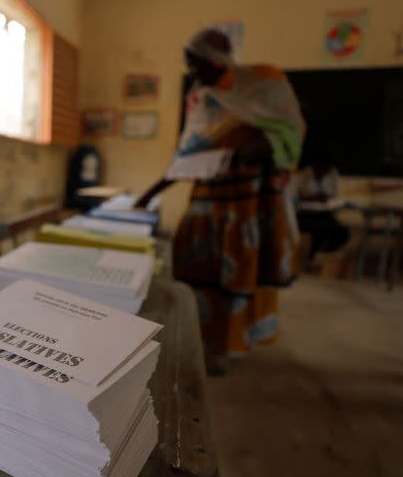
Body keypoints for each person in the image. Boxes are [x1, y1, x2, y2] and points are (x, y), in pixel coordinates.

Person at [135, 29, 305, 374]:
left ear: (219, 61)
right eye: (189, 67)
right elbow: (187, 154)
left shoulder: (265, 81)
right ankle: (196, 336)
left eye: (199, 66)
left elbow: (292, 130)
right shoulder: (201, 98)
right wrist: (150, 194)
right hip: (208, 199)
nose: (194, 75)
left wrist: (262, 148)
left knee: (236, 271)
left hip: (248, 202)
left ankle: (225, 348)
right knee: (191, 262)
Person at [295, 163, 350, 259]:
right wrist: (311, 198)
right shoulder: (303, 175)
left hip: (324, 213)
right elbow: (296, 198)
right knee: (321, 230)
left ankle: (317, 254)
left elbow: (335, 196)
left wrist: (326, 198)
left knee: (341, 232)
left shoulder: (331, 174)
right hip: (305, 214)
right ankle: (312, 255)